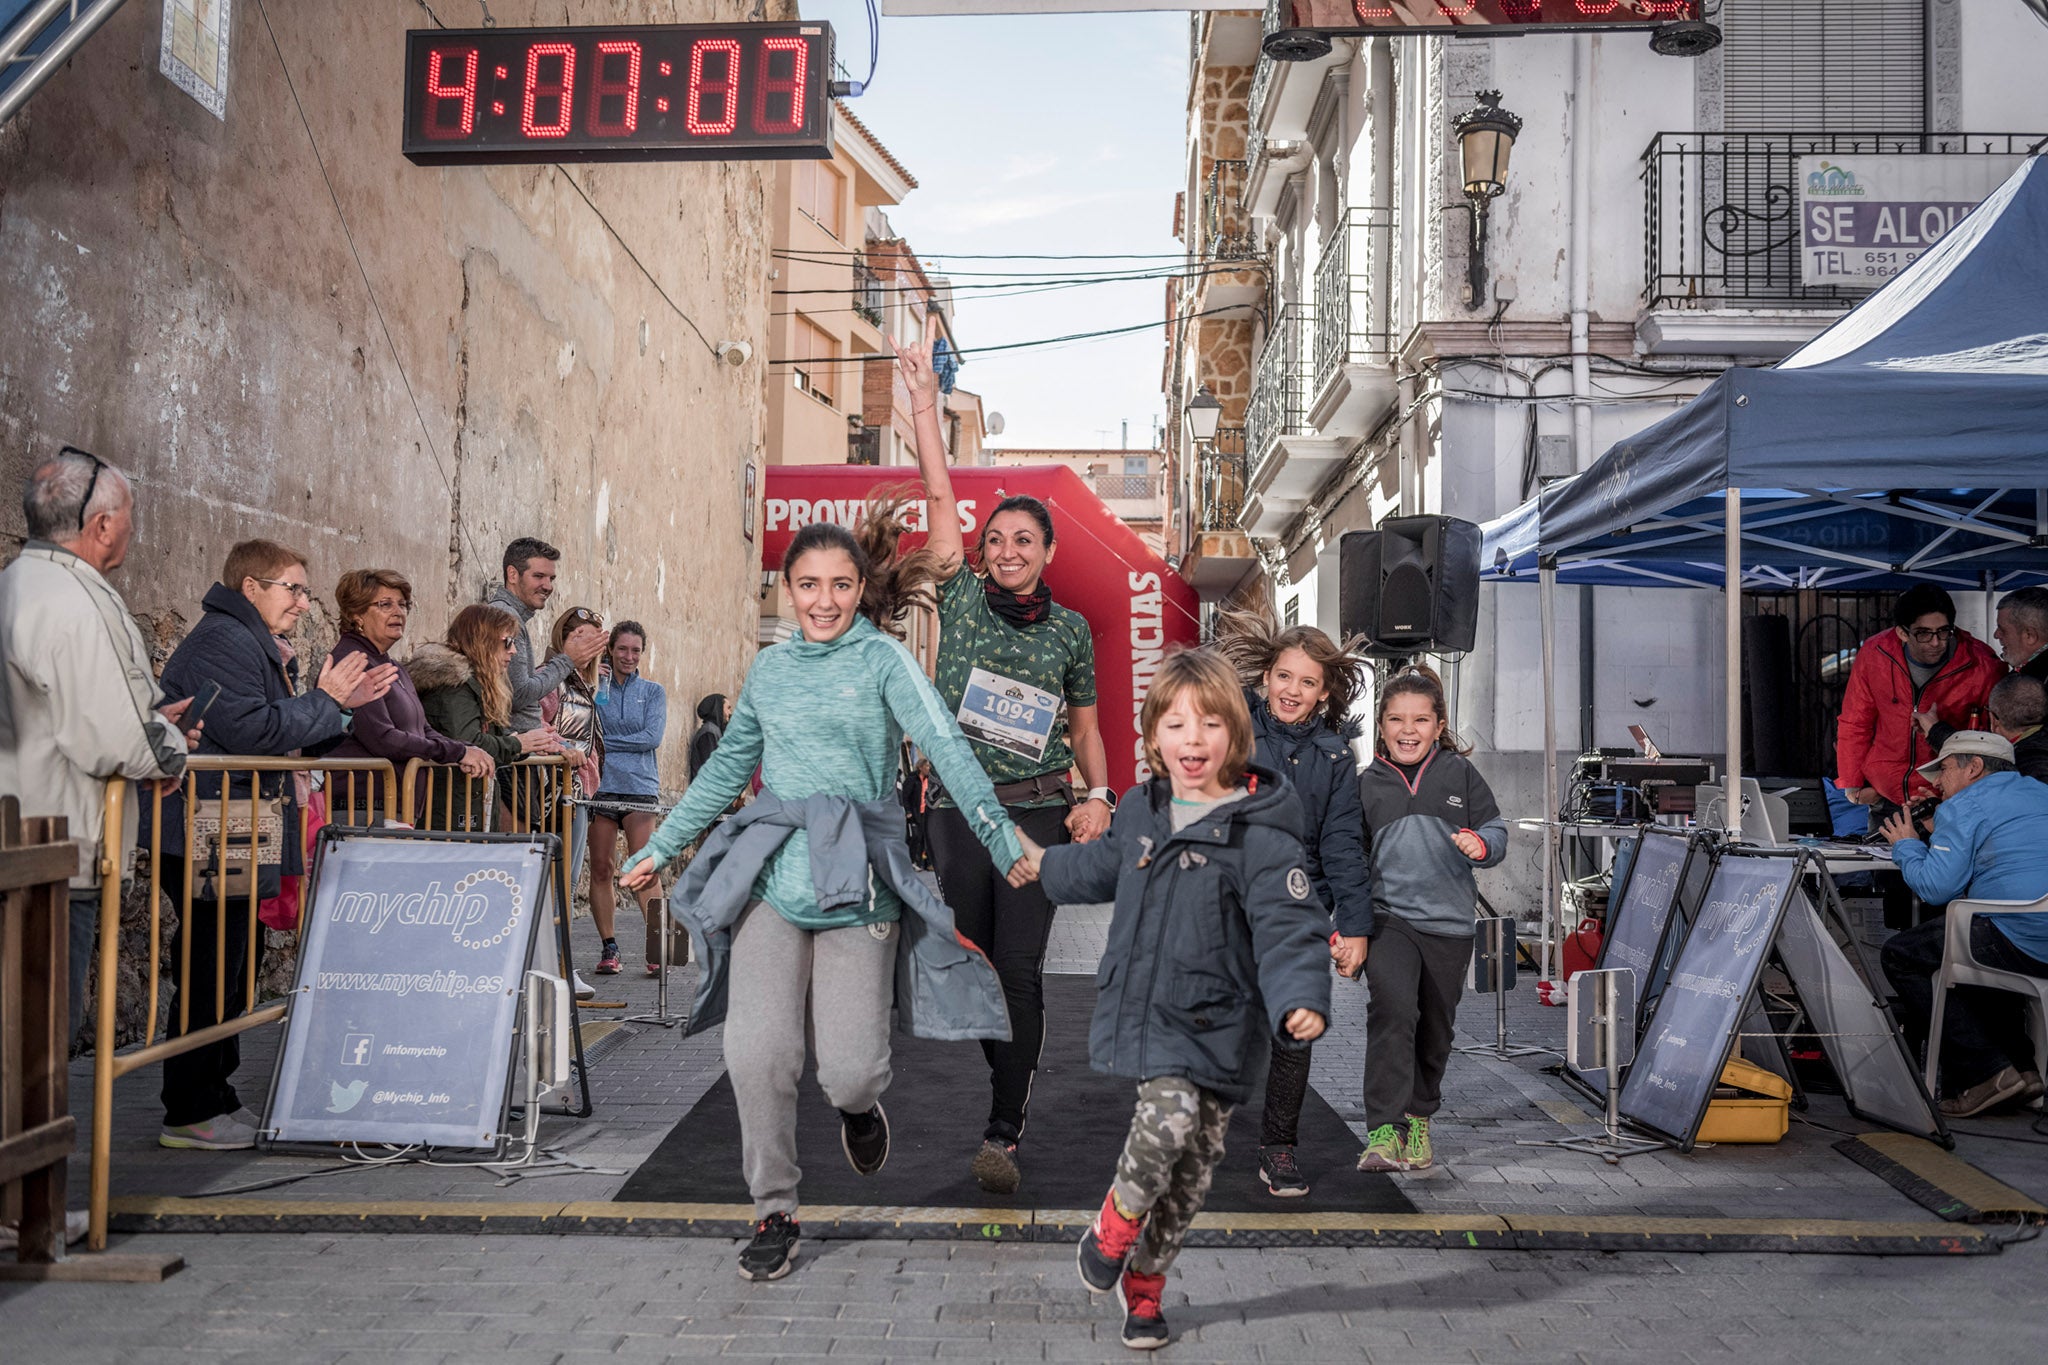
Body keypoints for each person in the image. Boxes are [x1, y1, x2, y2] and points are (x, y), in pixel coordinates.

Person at [619, 508, 1031, 1284]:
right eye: (808, 584)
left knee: (850, 1070)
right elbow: (727, 766)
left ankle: (856, 1110)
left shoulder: (882, 662)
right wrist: (662, 846)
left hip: (858, 885)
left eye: (840, 584)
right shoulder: (770, 670)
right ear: (786, 589)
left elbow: (944, 741)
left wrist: (1002, 838)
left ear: (861, 587)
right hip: (775, 876)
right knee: (755, 1050)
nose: (824, 599)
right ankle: (775, 1208)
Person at [1037, 648, 1330, 1352]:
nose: (1192, 740)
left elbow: (1291, 926)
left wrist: (1301, 995)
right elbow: (1101, 865)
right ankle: (1114, 1220)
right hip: (1158, 1012)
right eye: (1175, 724)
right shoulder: (1142, 807)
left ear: (1235, 733)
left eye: (1208, 724)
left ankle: (1145, 1286)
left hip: (1226, 1026)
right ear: (1152, 738)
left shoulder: (1263, 828)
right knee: (1165, 1122)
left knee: (1194, 1173)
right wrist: (1038, 863)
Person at [897, 316, 1114, 1196]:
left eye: (1025, 540)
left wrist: (1097, 793)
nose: (1008, 550)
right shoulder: (960, 596)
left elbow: (1088, 724)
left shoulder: (1070, 630)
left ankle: (1004, 1124)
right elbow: (942, 502)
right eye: (998, 539)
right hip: (956, 809)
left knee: (1020, 964)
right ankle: (1008, 1079)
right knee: (979, 959)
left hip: (1034, 806)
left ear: (1049, 552)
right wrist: (922, 409)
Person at [154, 539, 395, 1150]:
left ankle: (216, 1095)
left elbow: (281, 736)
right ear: (250, 587)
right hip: (215, 821)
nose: (303, 603)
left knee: (232, 966)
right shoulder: (224, 641)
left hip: (234, 821)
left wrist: (338, 714)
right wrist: (328, 701)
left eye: (305, 591)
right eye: (292, 588)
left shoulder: (244, 639)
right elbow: (255, 732)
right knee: (211, 968)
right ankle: (190, 1109)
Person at [0, 448, 193, 1050]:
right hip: (52, 847)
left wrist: (148, 724)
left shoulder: (16, 582)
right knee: (36, 1036)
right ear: (102, 524)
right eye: (130, 514)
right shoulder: (73, 601)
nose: (133, 528)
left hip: (26, 829)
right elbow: (117, 737)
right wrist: (167, 745)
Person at [1213, 608, 1369, 1199]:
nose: (1292, 690)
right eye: (1284, 676)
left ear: (1324, 691)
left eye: (1307, 682)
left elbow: (1343, 844)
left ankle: (1278, 1149)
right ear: (1265, 679)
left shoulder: (1335, 758)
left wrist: (1353, 925)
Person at [1352, 665, 1509, 1174]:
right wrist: (1344, 923)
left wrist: (1481, 844)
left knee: (1435, 1028)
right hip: (1389, 919)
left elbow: (1497, 830)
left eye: (1420, 719)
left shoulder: (1460, 774)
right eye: (1396, 718)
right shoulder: (1367, 784)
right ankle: (1383, 1130)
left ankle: (1419, 1115)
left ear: (1439, 725)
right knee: (1393, 1010)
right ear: (1380, 726)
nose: (1407, 729)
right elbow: (1348, 859)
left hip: (1449, 926)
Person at [1878, 730, 2048, 1118]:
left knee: (1902, 955)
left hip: (2017, 936)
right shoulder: (2040, 793)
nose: (1936, 782)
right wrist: (1943, 836)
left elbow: (1936, 889)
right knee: (1972, 949)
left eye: (1945, 768)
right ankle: (2023, 1068)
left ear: (1974, 767)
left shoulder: (1967, 804)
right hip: (2038, 938)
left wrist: (1906, 844)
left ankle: (1986, 1074)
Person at [322, 568, 492, 819]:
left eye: (403, 604)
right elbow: (382, 738)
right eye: (385, 604)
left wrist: (466, 749)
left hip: (398, 804)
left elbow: (423, 728)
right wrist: (456, 753)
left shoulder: (393, 667)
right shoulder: (352, 662)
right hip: (363, 806)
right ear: (356, 614)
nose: (398, 612)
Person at [1837, 583, 2004, 813]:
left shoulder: (1982, 663)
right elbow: (1856, 721)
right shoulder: (1875, 653)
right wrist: (1853, 784)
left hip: (1950, 799)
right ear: (1902, 633)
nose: (1936, 642)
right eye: (1924, 633)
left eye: (1944, 631)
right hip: (1885, 796)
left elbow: (1993, 737)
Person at [408, 605, 563, 831]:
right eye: (508, 642)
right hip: (449, 807)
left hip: (466, 802)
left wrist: (529, 744)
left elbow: (485, 739)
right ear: (483, 640)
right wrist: (519, 743)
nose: (514, 651)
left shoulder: (473, 684)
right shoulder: (453, 685)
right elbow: (467, 742)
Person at [588, 621, 670, 975]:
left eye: (636, 650)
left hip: (640, 785)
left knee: (645, 869)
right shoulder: (594, 688)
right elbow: (581, 728)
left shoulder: (653, 692)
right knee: (602, 868)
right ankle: (610, 949)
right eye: (622, 649)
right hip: (599, 785)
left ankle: (665, 947)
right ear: (610, 649)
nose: (629, 656)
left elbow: (651, 738)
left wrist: (603, 740)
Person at [545, 606, 609, 964]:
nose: (588, 647)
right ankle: (556, 964)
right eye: (579, 637)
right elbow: (532, 724)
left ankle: (560, 962)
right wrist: (563, 749)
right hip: (553, 792)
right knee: (558, 884)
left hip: (580, 793)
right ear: (564, 640)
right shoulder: (551, 680)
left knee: (567, 884)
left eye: (593, 638)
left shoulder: (586, 685)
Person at [491, 536, 603, 732]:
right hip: (516, 756)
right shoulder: (505, 618)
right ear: (513, 575)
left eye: (551, 578)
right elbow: (518, 695)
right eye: (538, 576)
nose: (548, 586)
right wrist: (567, 660)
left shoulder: (511, 617)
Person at [1927, 673, 2048, 782]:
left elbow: (1981, 757)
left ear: (1994, 719)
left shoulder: (2020, 766)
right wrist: (1934, 730)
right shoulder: (2036, 747)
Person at [1990, 585, 2048, 685]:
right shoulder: (2027, 676)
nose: (1996, 635)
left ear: (2029, 636)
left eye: (2002, 629)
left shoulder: (2033, 686)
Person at [688, 692, 731, 780]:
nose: (730, 713)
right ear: (718, 708)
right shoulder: (709, 732)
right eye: (728, 708)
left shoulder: (714, 731)